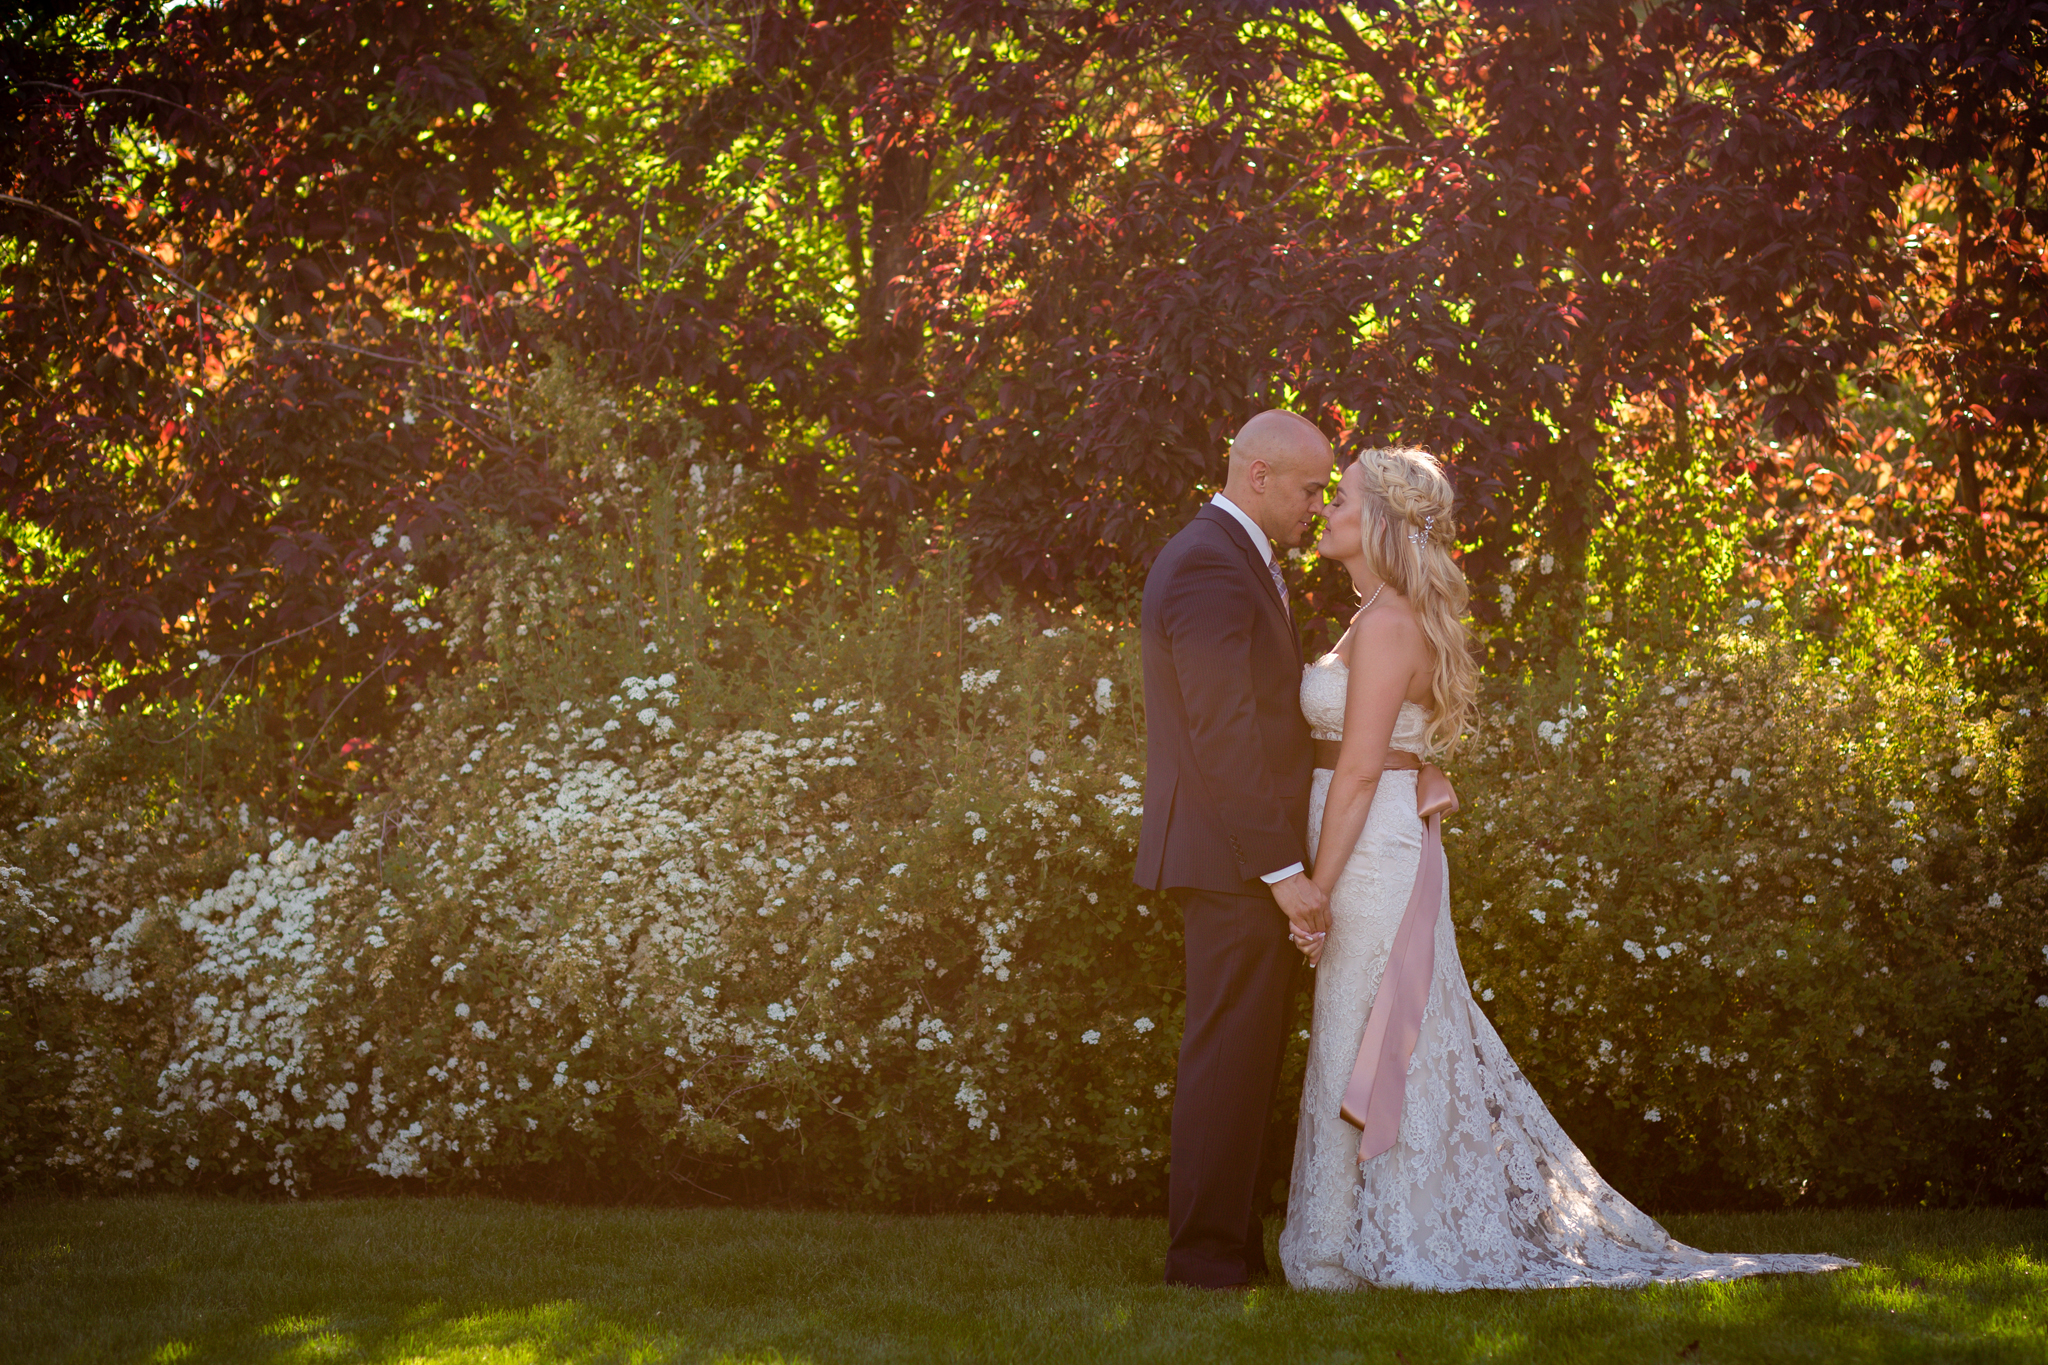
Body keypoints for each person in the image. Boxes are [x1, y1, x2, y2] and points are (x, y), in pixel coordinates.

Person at [1277, 446, 1856, 1289]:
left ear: (1382, 523)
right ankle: (1348, 1235)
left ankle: (1361, 1244)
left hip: (1368, 856)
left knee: (1369, 1033)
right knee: (1364, 1031)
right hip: (1372, 838)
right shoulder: (1374, 614)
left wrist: (1317, 890)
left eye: (1344, 498)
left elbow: (1362, 769)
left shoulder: (1392, 620)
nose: (1327, 511)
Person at [1135, 409, 1335, 1288]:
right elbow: (1223, 730)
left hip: (1233, 856)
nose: (1317, 507)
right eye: (1308, 488)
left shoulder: (1229, 556)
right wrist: (1283, 870)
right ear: (1259, 475)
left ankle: (1226, 1245)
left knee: (1243, 1056)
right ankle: (1207, 1258)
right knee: (1227, 1058)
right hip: (1231, 861)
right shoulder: (1211, 564)